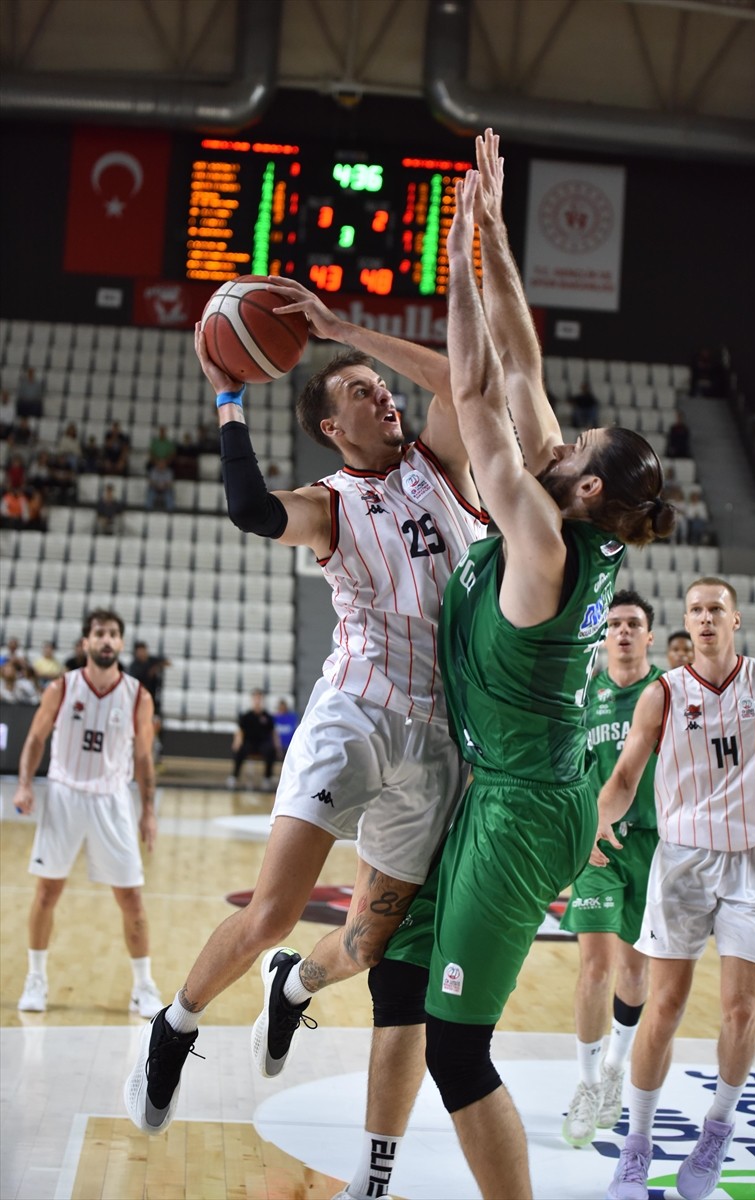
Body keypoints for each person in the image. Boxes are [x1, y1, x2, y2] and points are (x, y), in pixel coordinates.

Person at [330, 131, 675, 1200]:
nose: (562, 435)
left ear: (575, 492)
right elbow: (518, 366)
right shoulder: (571, 509)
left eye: (577, 445)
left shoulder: (537, 538)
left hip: (525, 804)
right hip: (504, 782)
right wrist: (489, 233)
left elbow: (477, 391)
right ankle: (375, 1175)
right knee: (397, 973)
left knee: (456, 1048)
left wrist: (450, 259)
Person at [125, 227, 491, 1137]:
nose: (384, 395)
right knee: (271, 911)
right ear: (333, 427)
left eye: (381, 387)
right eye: (363, 394)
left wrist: (343, 331)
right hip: (357, 716)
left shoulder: (442, 468)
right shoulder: (330, 503)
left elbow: (457, 381)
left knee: (367, 939)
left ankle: (298, 984)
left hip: (441, 736)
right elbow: (251, 510)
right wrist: (228, 399)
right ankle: (175, 1024)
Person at [600, 576, 755, 1200]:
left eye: (716, 610)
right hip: (682, 859)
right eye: (695, 611)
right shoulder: (662, 695)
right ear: (685, 622)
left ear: (736, 620)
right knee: (664, 1007)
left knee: (741, 1010)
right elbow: (626, 774)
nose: (705, 619)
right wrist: (599, 819)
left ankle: (717, 1129)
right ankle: (636, 1147)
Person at [13, 609, 163, 1018]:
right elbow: (34, 740)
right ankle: (36, 979)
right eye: (99, 633)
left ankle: (143, 986)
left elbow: (144, 758)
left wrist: (148, 811)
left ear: (120, 643)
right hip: (64, 794)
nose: (107, 640)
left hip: (112, 799)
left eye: (114, 634)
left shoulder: (138, 696)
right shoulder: (61, 688)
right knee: (47, 891)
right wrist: (25, 784)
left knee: (131, 897)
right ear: (85, 642)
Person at [560, 590, 661, 1148]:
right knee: (595, 967)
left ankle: (617, 1068)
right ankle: (586, 1083)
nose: (623, 632)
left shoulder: (669, 692)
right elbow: (570, 771)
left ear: (649, 636)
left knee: (635, 971)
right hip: (598, 847)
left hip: (655, 846)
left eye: (633, 625)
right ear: (604, 636)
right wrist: (581, 830)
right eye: (615, 624)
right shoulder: (582, 695)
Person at [227, 689, 279, 790]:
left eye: (259, 698)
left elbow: (273, 732)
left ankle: (267, 778)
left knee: (270, 750)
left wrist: (277, 745)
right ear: (252, 699)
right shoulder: (246, 716)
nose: (257, 700)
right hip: (249, 742)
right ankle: (234, 776)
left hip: (262, 743)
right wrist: (237, 742)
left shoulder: (267, 716)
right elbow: (240, 731)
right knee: (239, 750)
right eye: (255, 698)